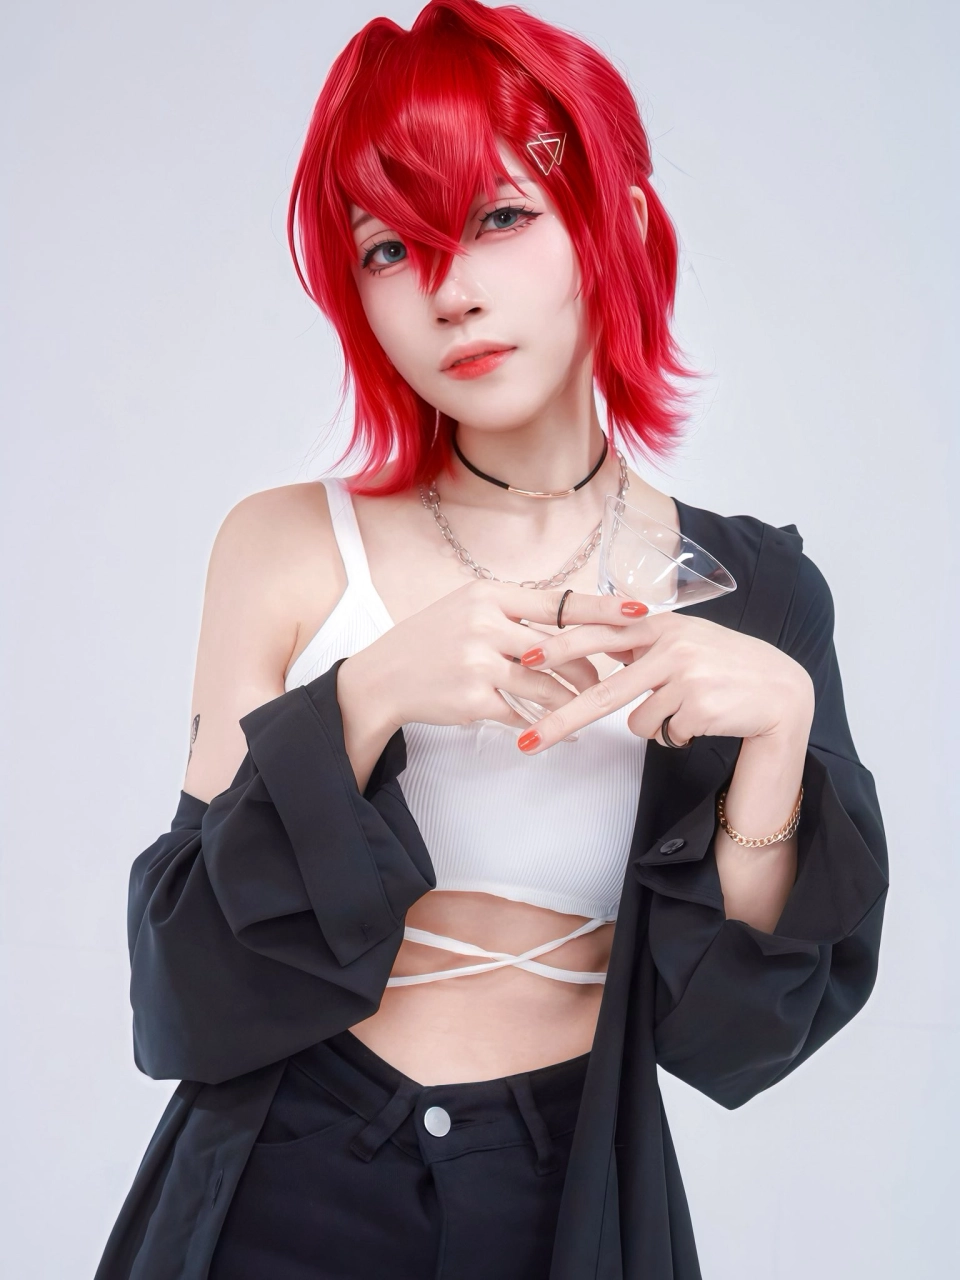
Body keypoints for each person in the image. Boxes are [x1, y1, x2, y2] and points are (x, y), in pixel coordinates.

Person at [94, 2, 889, 1277]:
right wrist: (364, 698)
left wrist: (780, 738)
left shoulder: (754, 593)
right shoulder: (286, 545)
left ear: (615, 222)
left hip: (565, 1186)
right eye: (388, 249)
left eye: (499, 217)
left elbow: (733, 1034)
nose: (449, 291)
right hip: (281, 1166)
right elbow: (180, 983)